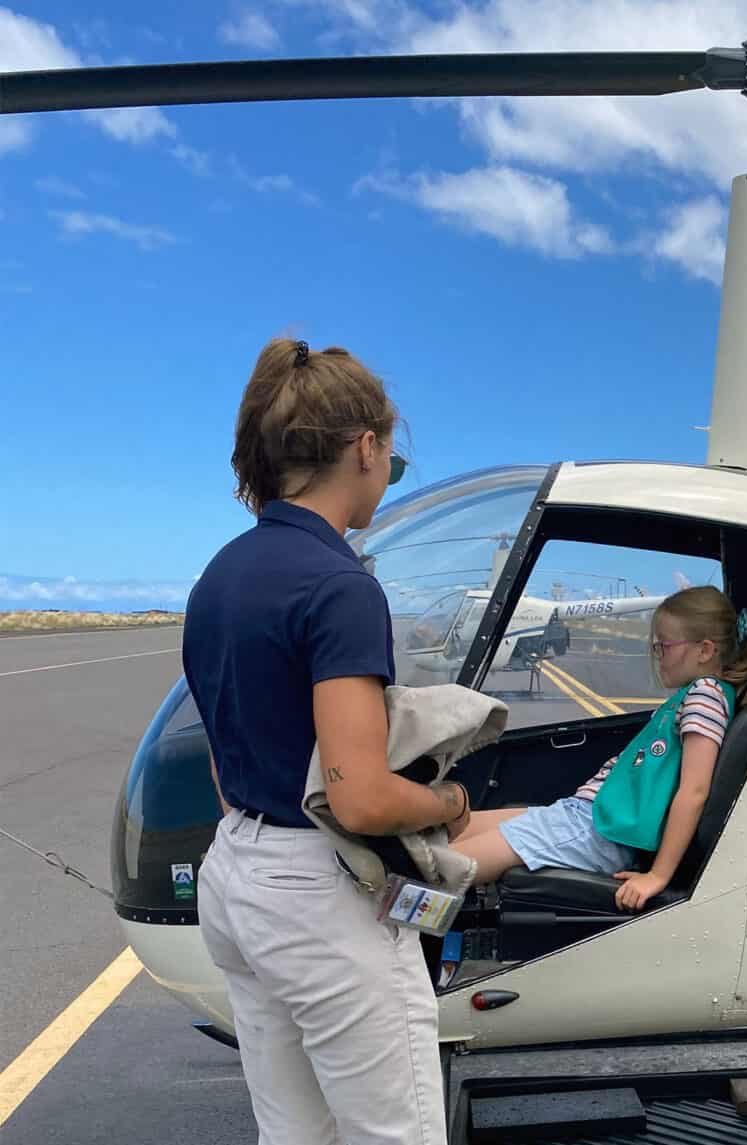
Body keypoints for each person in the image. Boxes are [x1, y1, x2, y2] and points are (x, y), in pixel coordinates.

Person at [184, 338, 469, 1145]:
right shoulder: (339, 585)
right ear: (366, 447)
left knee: (296, 1132)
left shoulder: (220, 577)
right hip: (316, 897)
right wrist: (447, 800)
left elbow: (222, 758)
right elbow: (363, 795)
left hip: (236, 873)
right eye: (392, 458)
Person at [452, 585, 747, 912]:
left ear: (705, 651)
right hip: (586, 817)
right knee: (451, 829)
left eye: (663, 645)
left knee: (443, 867)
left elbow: (694, 790)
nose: (657, 654)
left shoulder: (705, 695)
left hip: (596, 831)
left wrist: (657, 875)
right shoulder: (697, 694)